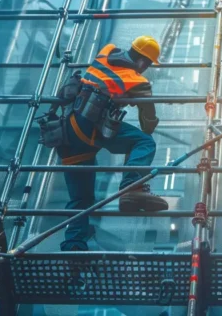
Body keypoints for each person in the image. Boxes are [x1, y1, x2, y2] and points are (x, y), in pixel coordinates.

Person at [50, 35, 169, 252]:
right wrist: (138, 101)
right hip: (90, 130)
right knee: (144, 142)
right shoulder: (138, 81)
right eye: (148, 64)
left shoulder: (106, 52)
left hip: (68, 133)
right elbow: (148, 123)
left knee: (81, 199)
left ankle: (74, 247)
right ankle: (132, 188)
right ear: (143, 62)